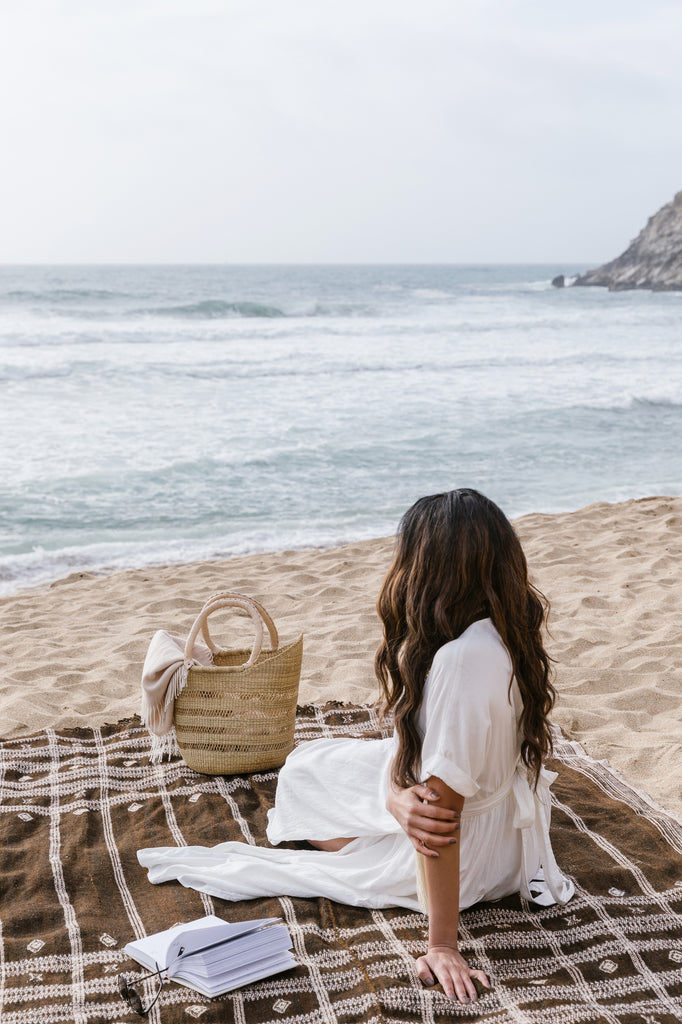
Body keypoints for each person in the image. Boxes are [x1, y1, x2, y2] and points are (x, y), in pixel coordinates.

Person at [138, 488, 574, 1005]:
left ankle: (364, 841)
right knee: (314, 762)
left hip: (470, 862)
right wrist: (393, 796)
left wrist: (442, 946)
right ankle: (376, 814)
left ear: (426, 568)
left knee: (301, 772)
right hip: (510, 839)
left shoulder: (460, 662)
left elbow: (439, 819)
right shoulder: (501, 628)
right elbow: (423, 763)